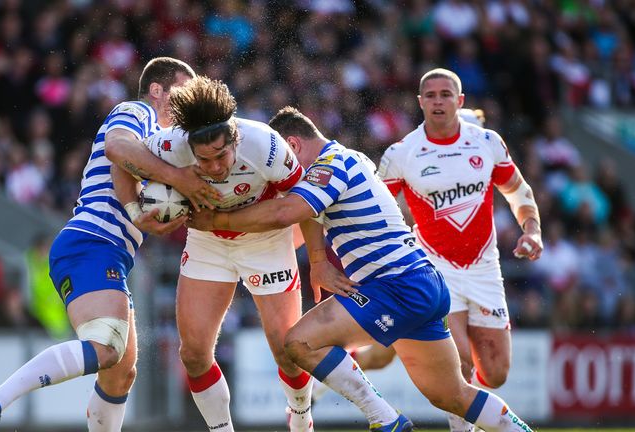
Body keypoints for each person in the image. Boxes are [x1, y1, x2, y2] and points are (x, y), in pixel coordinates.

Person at [188, 106, 536, 432]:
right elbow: (293, 229)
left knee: (299, 343)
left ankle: (384, 420)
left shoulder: (329, 165)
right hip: (423, 281)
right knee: (453, 396)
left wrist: (218, 220)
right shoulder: (352, 159)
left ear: (291, 145)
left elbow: (285, 213)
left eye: (284, 160)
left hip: (395, 284)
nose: (282, 176)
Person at [0, 57, 207, 432]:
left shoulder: (161, 144)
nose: (186, 103)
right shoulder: (136, 110)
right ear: (156, 90)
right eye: (181, 92)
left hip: (106, 250)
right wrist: (171, 188)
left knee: (120, 374)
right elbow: (117, 146)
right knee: (106, 348)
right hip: (93, 243)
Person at [129, 76, 313, 432]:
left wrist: (317, 261)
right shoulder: (170, 144)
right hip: (207, 241)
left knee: (288, 350)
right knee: (193, 354)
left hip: (266, 241)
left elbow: (307, 204)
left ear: (235, 138)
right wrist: (134, 211)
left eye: (221, 155)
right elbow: (121, 156)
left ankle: (302, 418)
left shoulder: (265, 144)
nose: (214, 167)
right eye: (204, 160)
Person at [377, 69, 543, 432]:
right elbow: (375, 210)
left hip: (485, 269)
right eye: (431, 95)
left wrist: (532, 229)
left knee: (495, 373)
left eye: (446, 94)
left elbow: (518, 190)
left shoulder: (486, 142)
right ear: (420, 102)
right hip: (434, 270)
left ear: (460, 100)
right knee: (460, 362)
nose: (438, 101)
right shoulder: (401, 154)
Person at [310, 106, 495, 403]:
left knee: (401, 360)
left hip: (440, 276)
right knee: (447, 362)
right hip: (416, 274)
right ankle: (322, 388)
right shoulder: (418, 163)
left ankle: (321, 388)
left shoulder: (469, 169)